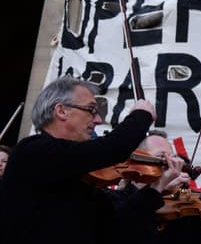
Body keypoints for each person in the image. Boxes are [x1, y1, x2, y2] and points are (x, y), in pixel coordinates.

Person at [0, 76, 159, 243]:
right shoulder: (32, 151)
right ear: (61, 111)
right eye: (91, 110)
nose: (98, 120)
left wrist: (156, 188)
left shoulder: (79, 174)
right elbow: (113, 147)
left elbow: (115, 223)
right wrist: (141, 115)